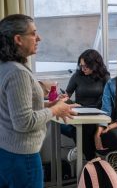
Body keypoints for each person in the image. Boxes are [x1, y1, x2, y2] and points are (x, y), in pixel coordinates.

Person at [0, 14, 76, 188]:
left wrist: (48, 105)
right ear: (18, 39)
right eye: (34, 33)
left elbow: (12, 106)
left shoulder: (5, 66)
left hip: (5, 151)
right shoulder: (17, 72)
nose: (39, 38)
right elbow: (24, 122)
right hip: (22, 156)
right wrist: (55, 111)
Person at [62, 49, 110, 161]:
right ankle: (93, 159)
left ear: (95, 64)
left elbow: (107, 100)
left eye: (86, 66)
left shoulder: (105, 77)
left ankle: (84, 152)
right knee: (77, 128)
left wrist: (90, 109)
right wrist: (63, 98)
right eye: (81, 66)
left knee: (81, 129)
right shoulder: (77, 76)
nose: (83, 69)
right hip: (79, 113)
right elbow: (67, 95)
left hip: (97, 114)